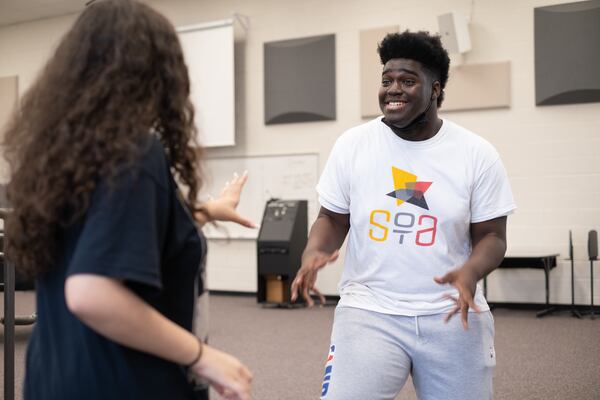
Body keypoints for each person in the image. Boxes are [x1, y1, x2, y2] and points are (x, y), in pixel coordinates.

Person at [2, 1, 253, 399]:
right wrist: (201, 355)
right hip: (122, 381)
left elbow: (108, 229)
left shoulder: (60, 157)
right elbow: (91, 293)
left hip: (54, 378)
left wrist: (203, 212)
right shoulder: (135, 153)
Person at [291, 30, 516, 400]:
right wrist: (313, 251)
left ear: (436, 90)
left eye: (408, 81)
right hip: (368, 310)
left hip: (450, 311)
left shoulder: (476, 154)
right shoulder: (353, 145)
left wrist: (471, 271)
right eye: (386, 80)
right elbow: (332, 219)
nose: (393, 89)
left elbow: (492, 236)